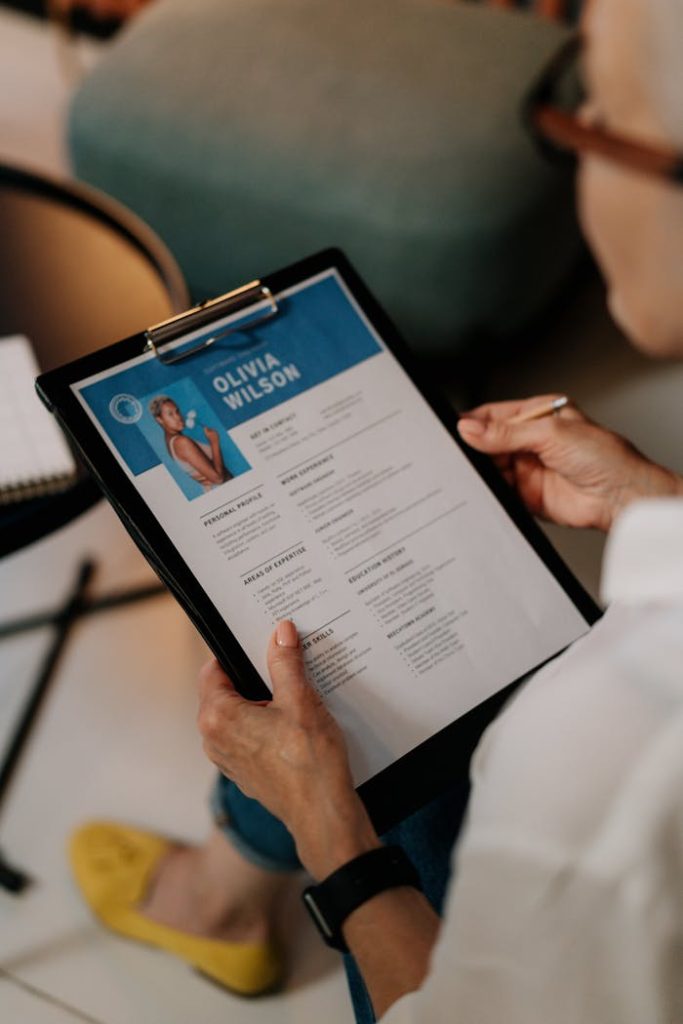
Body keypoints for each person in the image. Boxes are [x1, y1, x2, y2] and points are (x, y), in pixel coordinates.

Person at [70, 0, 683, 1019]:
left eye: (591, 115)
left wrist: (334, 836)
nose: (576, 167)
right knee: (420, 667)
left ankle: (231, 886)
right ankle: (229, 883)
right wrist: (656, 505)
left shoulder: (603, 761)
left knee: (364, 728)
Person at [149, 395, 230, 493]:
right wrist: (214, 442)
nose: (178, 417)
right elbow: (218, 479)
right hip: (223, 490)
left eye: (177, 411)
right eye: (170, 414)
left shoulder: (171, 442)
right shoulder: (181, 442)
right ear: (159, 419)